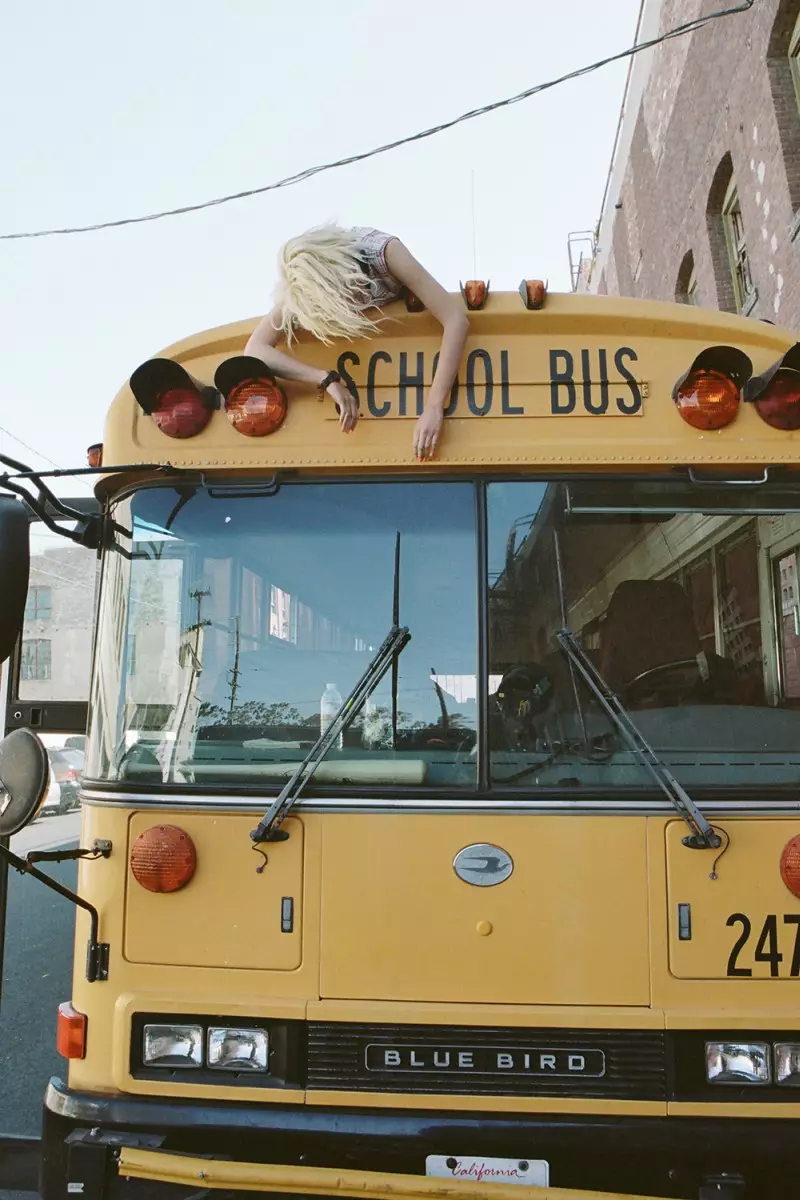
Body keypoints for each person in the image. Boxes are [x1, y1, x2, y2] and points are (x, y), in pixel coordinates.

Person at [244, 224, 469, 460]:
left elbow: (455, 320)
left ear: (343, 273)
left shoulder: (385, 253)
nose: (350, 305)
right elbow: (255, 350)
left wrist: (433, 407)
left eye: (342, 297)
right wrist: (325, 379)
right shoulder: (303, 290)